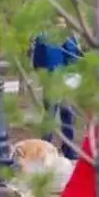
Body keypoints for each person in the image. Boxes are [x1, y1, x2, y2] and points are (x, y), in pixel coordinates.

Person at [32, 27, 82, 160]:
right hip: (64, 79)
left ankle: (45, 149)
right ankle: (68, 150)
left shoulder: (42, 35)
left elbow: (37, 61)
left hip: (50, 79)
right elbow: (73, 58)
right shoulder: (68, 36)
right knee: (66, 115)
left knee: (50, 115)